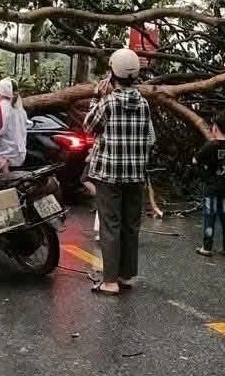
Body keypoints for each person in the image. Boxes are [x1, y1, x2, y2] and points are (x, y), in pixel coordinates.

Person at [84, 48, 155, 296]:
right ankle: (126, 274)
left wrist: (97, 96)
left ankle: (110, 281)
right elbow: (149, 138)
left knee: (110, 225)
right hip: (136, 174)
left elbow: (89, 125)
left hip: (109, 174)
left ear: (113, 71)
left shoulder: (109, 102)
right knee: (130, 225)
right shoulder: (144, 104)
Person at [193, 113, 225, 257]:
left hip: (212, 185)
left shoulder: (210, 146)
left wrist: (204, 170)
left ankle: (207, 247)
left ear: (215, 128)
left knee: (209, 215)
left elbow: (195, 160)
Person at [0, 77, 28, 172]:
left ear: (1, 93)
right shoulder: (18, 106)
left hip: (5, 155)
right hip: (18, 153)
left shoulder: (3, 107)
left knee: (3, 183)